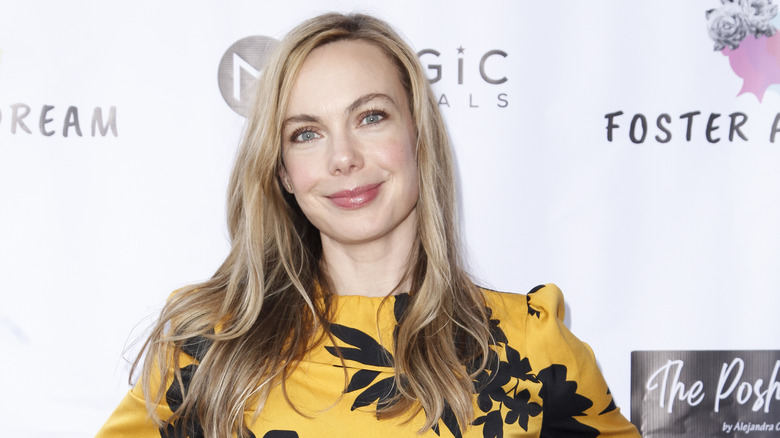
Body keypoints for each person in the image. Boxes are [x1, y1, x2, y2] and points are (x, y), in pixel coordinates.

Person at [97, 12, 641, 438]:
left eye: (371, 117)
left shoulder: (530, 344)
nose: (343, 158)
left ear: (419, 139)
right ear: (283, 171)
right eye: (306, 133)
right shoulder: (206, 343)